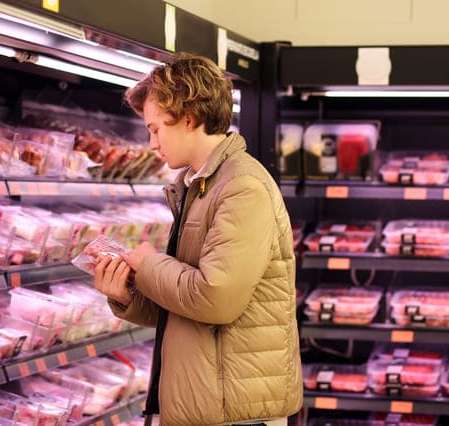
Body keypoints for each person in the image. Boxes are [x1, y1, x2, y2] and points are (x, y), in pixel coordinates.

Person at [93, 52, 302, 426]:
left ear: (189, 119)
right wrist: (128, 294)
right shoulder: (201, 186)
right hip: (208, 403)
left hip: (236, 413)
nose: (152, 143)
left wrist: (147, 263)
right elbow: (187, 310)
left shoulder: (241, 187)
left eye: (156, 128)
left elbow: (215, 299)